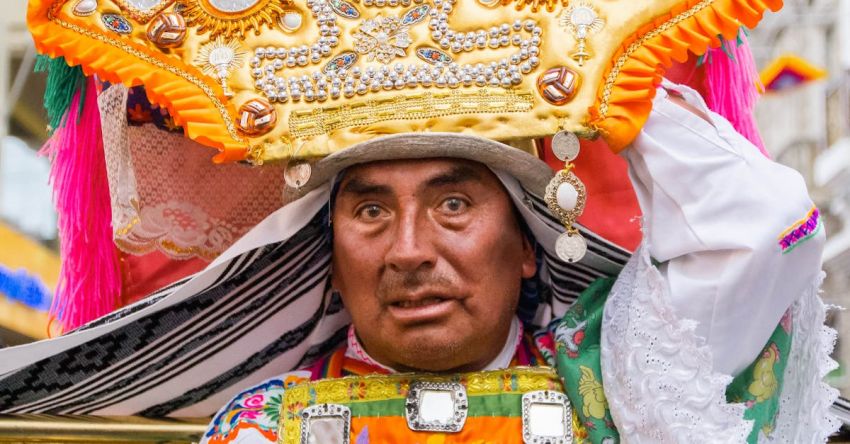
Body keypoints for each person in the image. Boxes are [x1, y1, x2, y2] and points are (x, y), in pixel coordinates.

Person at [3, 0, 838, 442]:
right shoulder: (264, 428)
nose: (409, 251)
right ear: (326, 251)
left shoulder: (615, 385)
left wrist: (593, 76)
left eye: (452, 204)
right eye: (369, 209)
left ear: (524, 247)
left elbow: (766, 224)